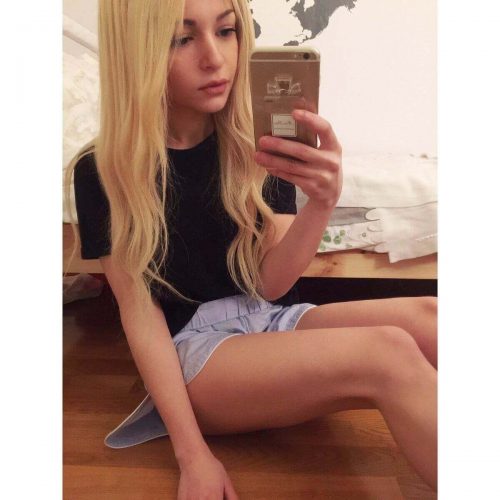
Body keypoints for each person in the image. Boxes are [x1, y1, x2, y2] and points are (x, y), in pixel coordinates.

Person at [64, 0, 437, 497]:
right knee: (387, 352)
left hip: (267, 316)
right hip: (192, 355)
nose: (214, 58)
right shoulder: (103, 170)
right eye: (181, 38)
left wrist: (321, 203)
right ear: (137, 52)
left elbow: (271, 284)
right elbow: (140, 315)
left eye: (226, 31)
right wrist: (193, 455)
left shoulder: (255, 143)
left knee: (433, 319)